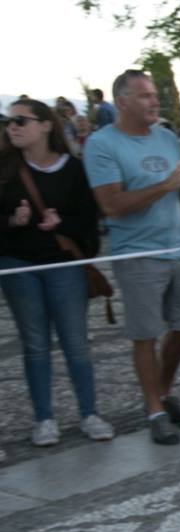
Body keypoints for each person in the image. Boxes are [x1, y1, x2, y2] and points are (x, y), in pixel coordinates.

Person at [85, 70, 180, 445]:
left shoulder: (167, 137)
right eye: (144, 96)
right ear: (122, 102)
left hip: (179, 247)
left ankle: (163, 389)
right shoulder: (102, 144)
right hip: (137, 252)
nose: (154, 102)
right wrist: (167, 184)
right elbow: (111, 206)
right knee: (145, 334)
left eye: (154, 95)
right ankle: (155, 409)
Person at [0, 98, 115, 446]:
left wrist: (61, 223)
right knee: (35, 344)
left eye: (21, 120)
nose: (13, 127)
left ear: (46, 125)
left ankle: (89, 412)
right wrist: (12, 221)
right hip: (17, 264)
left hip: (63, 264)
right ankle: (44, 419)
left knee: (75, 341)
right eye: (9, 121)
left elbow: (89, 223)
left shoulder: (74, 169)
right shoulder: (5, 167)